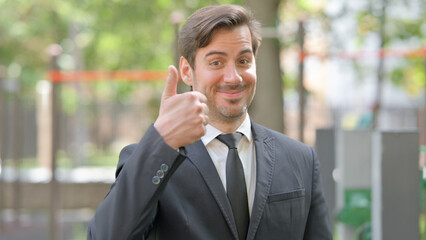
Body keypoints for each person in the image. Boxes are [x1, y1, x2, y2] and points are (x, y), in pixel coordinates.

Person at [88, 4, 332, 240]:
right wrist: (164, 141)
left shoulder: (301, 159)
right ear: (187, 71)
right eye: (216, 62)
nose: (233, 77)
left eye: (244, 61)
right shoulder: (152, 160)